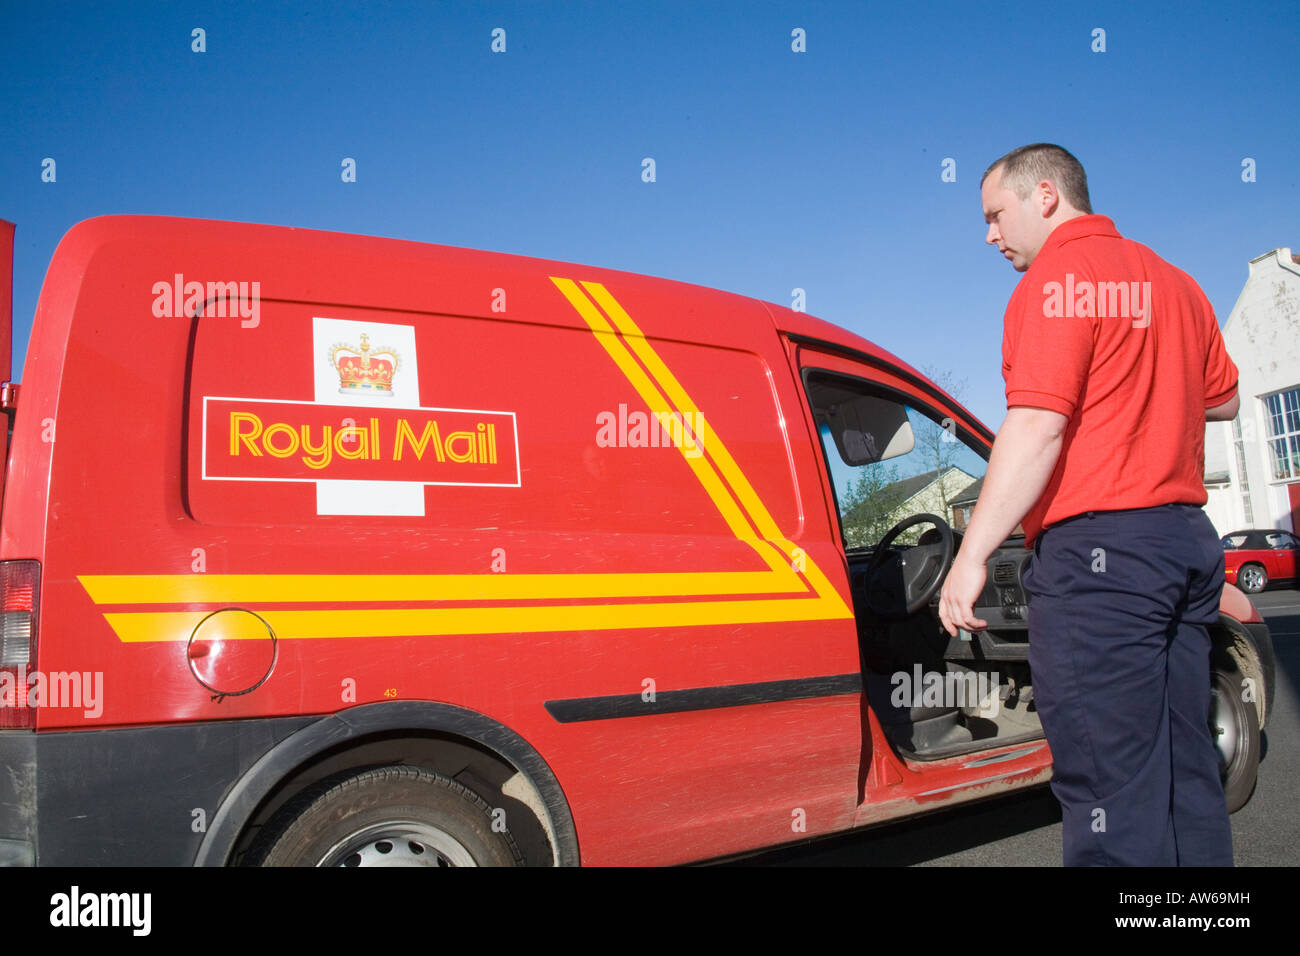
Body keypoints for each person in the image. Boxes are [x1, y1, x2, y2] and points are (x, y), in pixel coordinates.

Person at [937, 143, 1241, 866]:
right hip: (1185, 546)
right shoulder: (1177, 283)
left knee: (1111, 786)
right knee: (1186, 769)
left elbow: (1038, 426)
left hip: (1101, 564)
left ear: (1044, 195)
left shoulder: (1055, 281)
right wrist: (1149, 383)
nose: (989, 234)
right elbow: (1224, 399)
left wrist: (972, 555)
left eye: (994, 214)